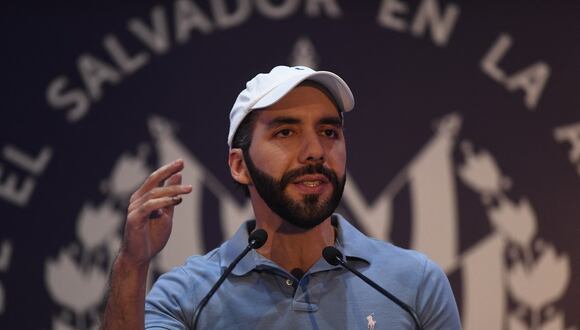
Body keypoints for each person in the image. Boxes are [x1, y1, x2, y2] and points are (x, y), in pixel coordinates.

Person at [102, 66, 461, 329]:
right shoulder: (189, 294)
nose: (315, 151)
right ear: (240, 165)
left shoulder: (415, 282)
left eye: (329, 131)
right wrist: (131, 266)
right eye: (286, 132)